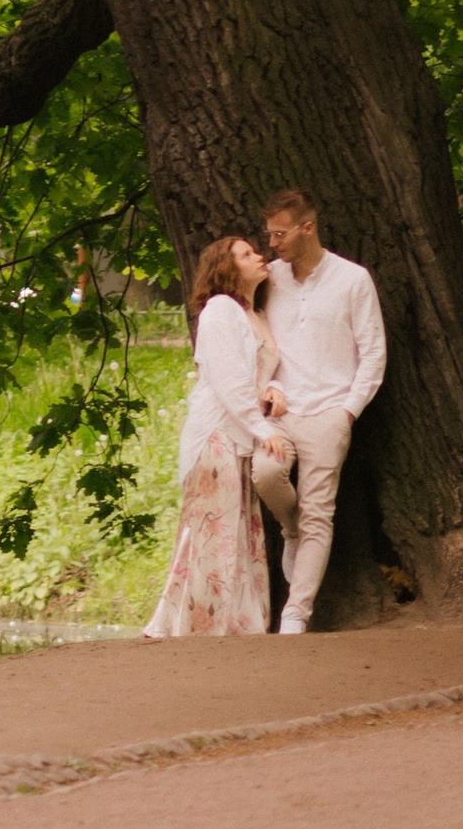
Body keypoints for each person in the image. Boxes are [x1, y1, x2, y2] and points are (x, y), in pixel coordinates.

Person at [145, 235, 295, 638]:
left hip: (237, 435)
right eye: (247, 254)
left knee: (236, 529)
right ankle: (204, 627)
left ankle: (235, 623)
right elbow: (229, 381)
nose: (259, 257)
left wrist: (275, 388)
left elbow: (261, 372)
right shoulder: (219, 310)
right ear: (227, 269)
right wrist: (263, 429)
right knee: (214, 532)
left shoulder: (253, 313)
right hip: (215, 434)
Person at [258, 185, 388, 635]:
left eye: (280, 234)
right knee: (265, 475)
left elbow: (373, 352)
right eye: (270, 234)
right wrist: (270, 386)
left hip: (330, 412)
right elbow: (257, 342)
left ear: (307, 228)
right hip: (280, 413)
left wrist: (347, 411)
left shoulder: (352, 280)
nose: (272, 243)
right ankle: (289, 529)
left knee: (319, 512)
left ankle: (295, 614)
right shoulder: (271, 279)